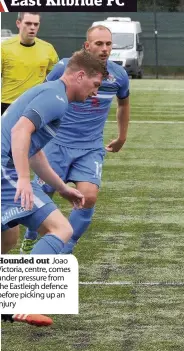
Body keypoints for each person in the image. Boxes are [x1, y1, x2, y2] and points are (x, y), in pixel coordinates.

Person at [1, 50, 105, 327]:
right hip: (5, 171)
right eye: (95, 85)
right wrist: (23, 178)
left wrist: (62, 188)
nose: (95, 93)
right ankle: (19, 302)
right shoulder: (56, 97)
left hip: (8, 169)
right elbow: (19, 132)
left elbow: (34, 152)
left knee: (8, 240)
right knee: (61, 229)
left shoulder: (52, 93)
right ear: (80, 75)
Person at [20, 25, 131, 255]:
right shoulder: (65, 66)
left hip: (90, 147)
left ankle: (66, 249)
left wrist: (121, 136)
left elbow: (124, 104)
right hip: (56, 143)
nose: (104, 49)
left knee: (89, 197)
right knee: (44, 193)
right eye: (99, 43)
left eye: (108, 44)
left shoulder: (118, 75)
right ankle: (30, 236)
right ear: (86, 45)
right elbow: (46, 93)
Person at [1, 12, 58, 114]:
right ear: (18, 23)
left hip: (35, 106)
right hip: (8, 105)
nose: (32, 27)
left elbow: (55, 77)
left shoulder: (48, 48)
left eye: (36, 24)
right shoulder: (4, 48)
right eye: (28, 23)